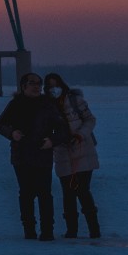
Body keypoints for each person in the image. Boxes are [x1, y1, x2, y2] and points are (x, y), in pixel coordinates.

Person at [0, 71, 69, 241]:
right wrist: (12, 133)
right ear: (23, 86)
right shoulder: (15, 104)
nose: (37, 86)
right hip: (21, 156)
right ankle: (29, 230)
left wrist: (52, 140)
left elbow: (62, 129)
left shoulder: (47, 104)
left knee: (45, 194)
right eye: (32, 83)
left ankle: (47, 231)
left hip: (42, 155)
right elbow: (0, 124)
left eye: (39, 83)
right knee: (26, 194)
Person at [45, 73, 101, 239]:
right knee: (68, 193)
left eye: (56, 86)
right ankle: (71, 231)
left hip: (83, 151)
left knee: (83, 190)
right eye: (49, 87)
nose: (53, 89)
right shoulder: (47, 106)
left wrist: (80, 135)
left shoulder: (76, 101)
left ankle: (94, 230)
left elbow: (90, 120)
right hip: (62, 154)